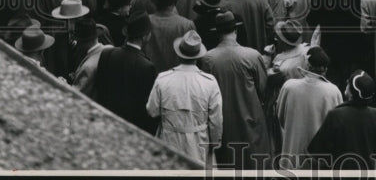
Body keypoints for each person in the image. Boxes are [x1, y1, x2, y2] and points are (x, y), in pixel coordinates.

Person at [198, 10, 271, 168]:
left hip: (223, 122)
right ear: (236, 30)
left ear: (217, 33)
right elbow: (263, 89)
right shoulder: (252, 56)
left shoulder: (208, 59)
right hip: (251, 119)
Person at [146, 30, 223, 167]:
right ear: (198, 56)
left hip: (169, 140)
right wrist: (215, 143)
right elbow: (216, 121)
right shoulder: (209, 82)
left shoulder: (163, 79)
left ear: (179, 54)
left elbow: (152, 111)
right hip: (199, 142)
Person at [276, 46, 344, 168]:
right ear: (325, 69)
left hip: (292, 156)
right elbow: (338, 129)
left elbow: (280, 118)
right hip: (319, 162)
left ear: (307, 65)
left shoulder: (288, 87)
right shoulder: (334, 92)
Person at [95, 11, 159, 134]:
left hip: (107, 122)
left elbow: (100, 87)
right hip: (131, 128)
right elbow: (146, 106)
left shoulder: (107, 53)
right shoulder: (146, 66)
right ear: (145, 36)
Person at [306, 70, 376, 167]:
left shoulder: (336, 115)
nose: (346, 86)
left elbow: (316, 153)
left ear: (351, 93)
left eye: (348, 84)